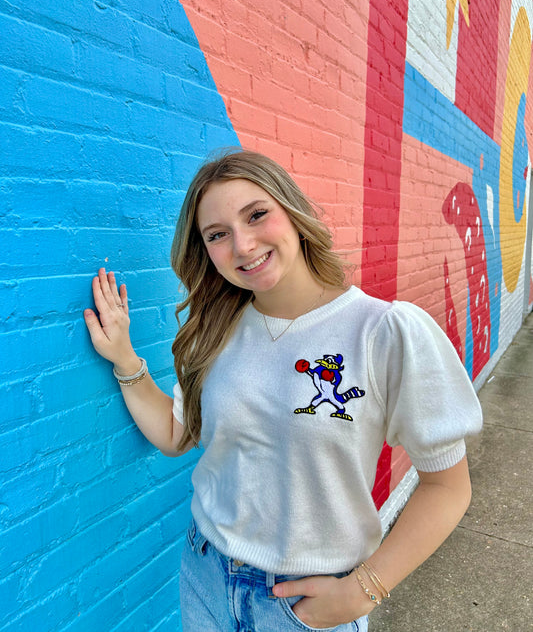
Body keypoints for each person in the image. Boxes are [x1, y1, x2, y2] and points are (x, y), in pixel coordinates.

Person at [84, 149, 483, 632]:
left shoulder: (383, 332)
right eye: (218, 235)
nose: (244, 244)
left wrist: (362, 591)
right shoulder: (216, 329)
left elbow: (447, 487)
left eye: (256, 215)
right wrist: (125, 359)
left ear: (291, 212)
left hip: (304, 603)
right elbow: (175, 434)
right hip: (206, 574)